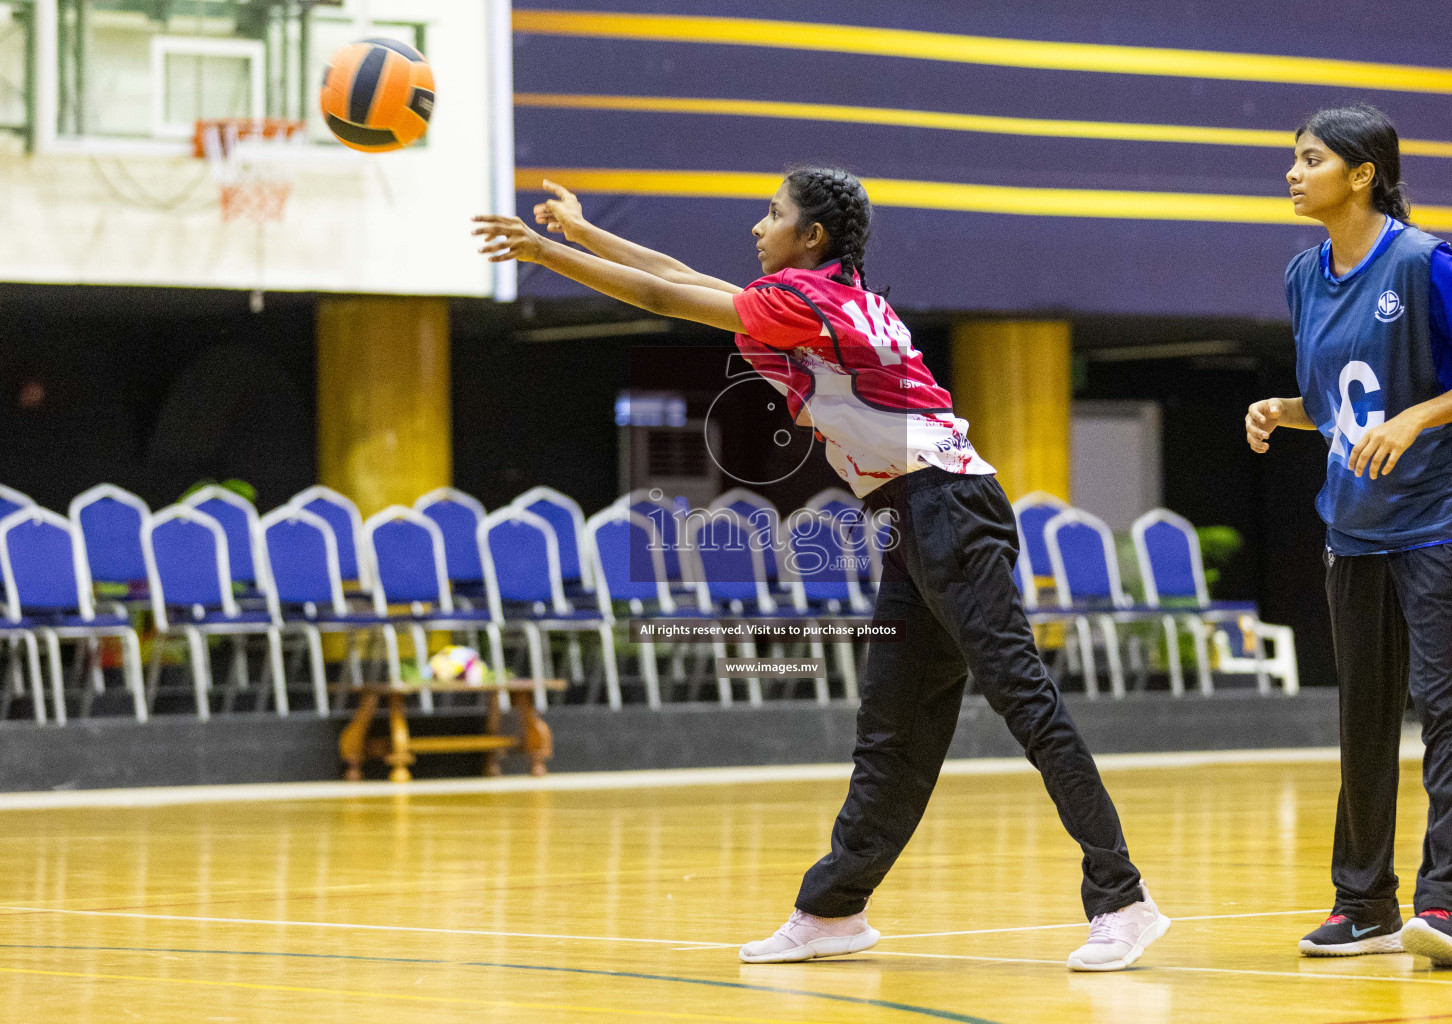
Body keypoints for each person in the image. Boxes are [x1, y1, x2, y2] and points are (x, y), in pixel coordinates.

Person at [473, 168, 1169, 972]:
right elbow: (680, 278)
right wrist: (583, 233)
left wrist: (542, 255)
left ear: (812, 237)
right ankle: (832, 910)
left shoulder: (806, 301)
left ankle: (1123, 898)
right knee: (891, 730)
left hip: (948, 506)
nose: (757, 227)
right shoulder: (820, 296)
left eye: (773, 215)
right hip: (913, 513)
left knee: (1026, 702)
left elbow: (667, 300)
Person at [1246, 104, 1452, 967]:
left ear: (1362, 174)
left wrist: (1416, 419)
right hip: (1352, 526)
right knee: (1362, 716)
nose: (1293, 173)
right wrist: (1283, 412)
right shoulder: (1300, 276)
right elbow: (1337, 402)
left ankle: (1444, 909)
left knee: (1445, 714)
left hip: (1436, 518)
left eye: (1310, 158)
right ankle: (1362, 903)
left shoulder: (1422, 259)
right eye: (1293, 159)